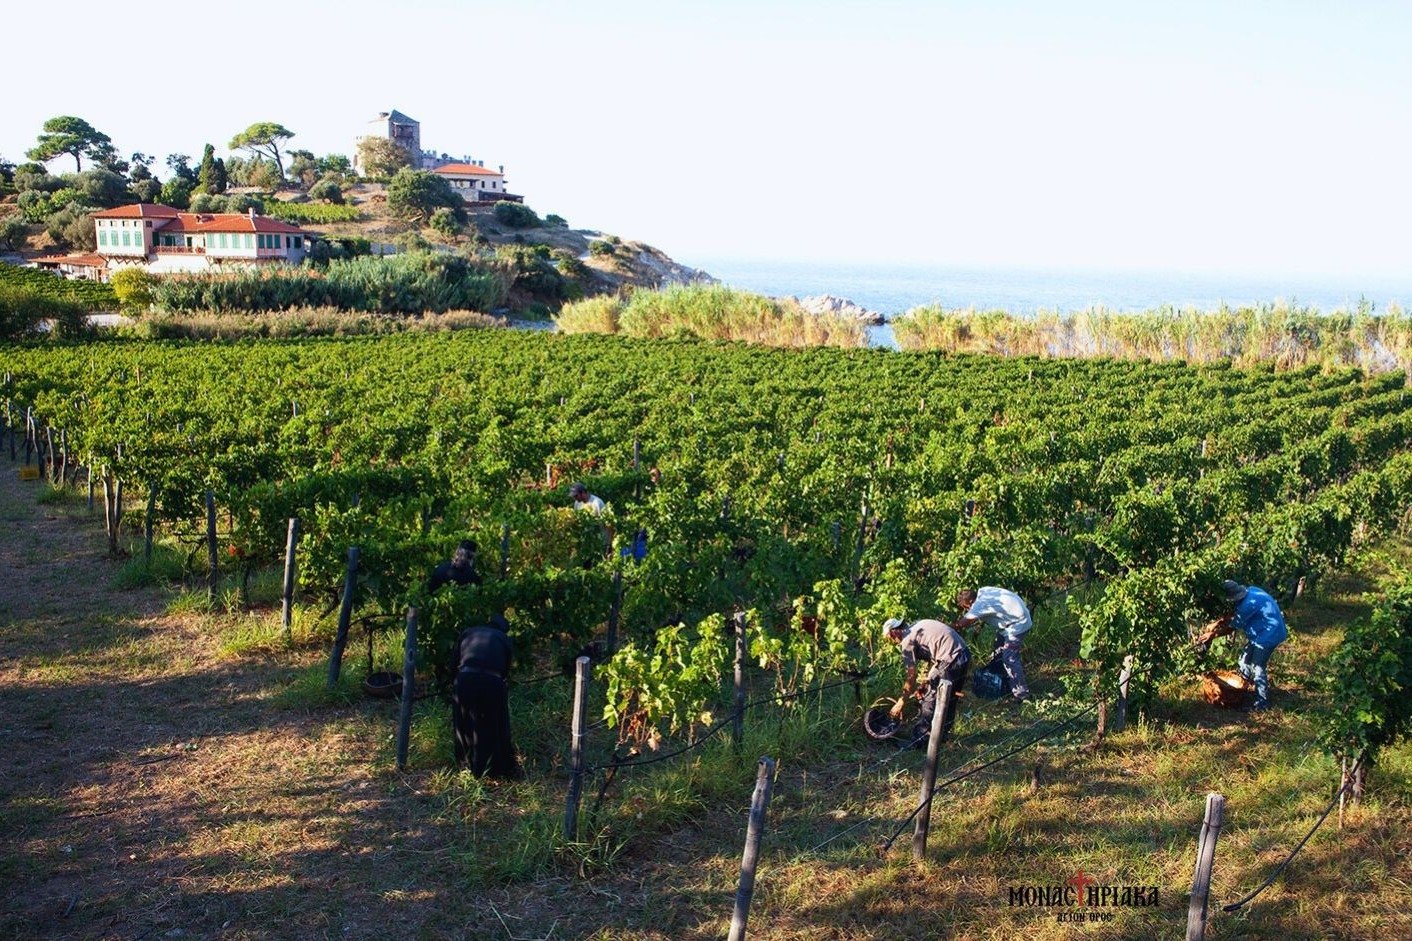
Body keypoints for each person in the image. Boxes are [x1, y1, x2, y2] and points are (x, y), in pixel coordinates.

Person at [1196, 580, 1288, 710]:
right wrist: (1217, 622)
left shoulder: (1246, 607)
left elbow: (1231, 628)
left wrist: (1212, 635)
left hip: (1269, 635)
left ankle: (1262, 703)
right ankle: (1242, 690)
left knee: (1257, 666)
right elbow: (1234, 615)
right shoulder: (1252, 590)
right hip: (1262, 632)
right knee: (1244, 660)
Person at [450, 613, 521, 778]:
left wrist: (455, 684)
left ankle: (466, 766)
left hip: (464, 679)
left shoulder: (469, 632)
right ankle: (495, 768)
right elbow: (505, 670)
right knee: (494, 724)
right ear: (504, 630)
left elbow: (454, 662)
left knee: (464, 722)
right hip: (492, 681)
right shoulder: (503, 639)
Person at [882, 617, 971, 743]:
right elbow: (934, 657)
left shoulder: (907, 642)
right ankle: (941, 736)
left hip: (950, 659)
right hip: (963, 654)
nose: (893, 642)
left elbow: (911, 677)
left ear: (894, 632)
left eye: (890, 638)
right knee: (949, 697)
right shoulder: (919, 626)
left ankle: (921, 740)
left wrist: (901, 702)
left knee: (929, 699)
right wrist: (925, 682)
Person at [954, 587, 1032, 703]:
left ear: (970, 602)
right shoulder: (983, 591)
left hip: (1017, 625)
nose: (967, 610)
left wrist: (949, 627)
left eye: (966, 607)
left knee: (1009, 658)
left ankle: (1022, 695)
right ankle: (1004, 682)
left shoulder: (980, 604)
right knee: (998, 651)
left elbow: (964, 623)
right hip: (1011, 622)